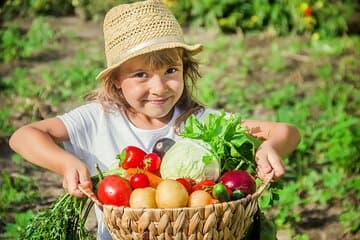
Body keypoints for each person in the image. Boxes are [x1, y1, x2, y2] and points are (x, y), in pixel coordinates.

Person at [9, 0, 301, 239]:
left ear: (185, 70)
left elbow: (285, 131)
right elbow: (23, 136)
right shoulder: (98, 120)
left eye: (171, 71)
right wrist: (66, 163)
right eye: (141, 75)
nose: (159, 88)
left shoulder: (199, 122)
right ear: (116, 81)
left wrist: (268, 147)